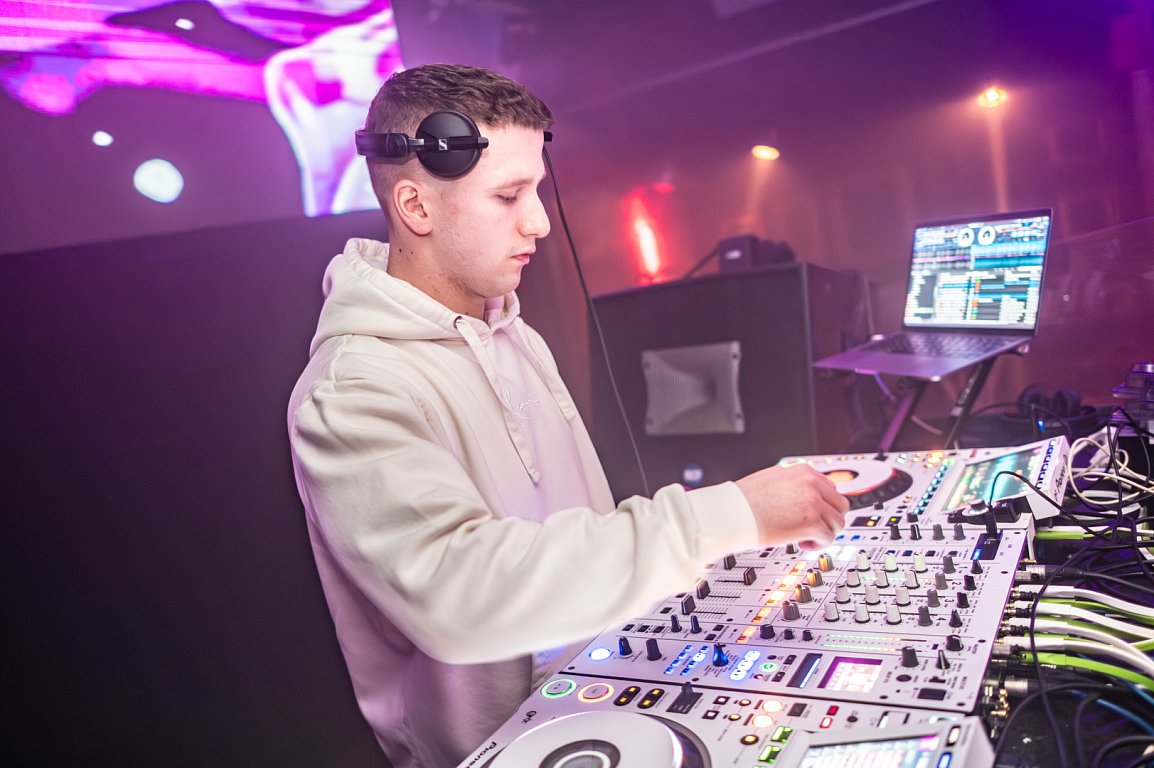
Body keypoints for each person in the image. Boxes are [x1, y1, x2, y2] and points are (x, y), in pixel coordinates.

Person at [287, 63, 849, 768]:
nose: (540, 222)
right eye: (508, 195)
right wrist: (726, 516)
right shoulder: (350, 391)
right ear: (416, 207)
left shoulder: (514, 332)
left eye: (537, 190)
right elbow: (463, 597)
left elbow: (569, 531)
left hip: (603, 699)